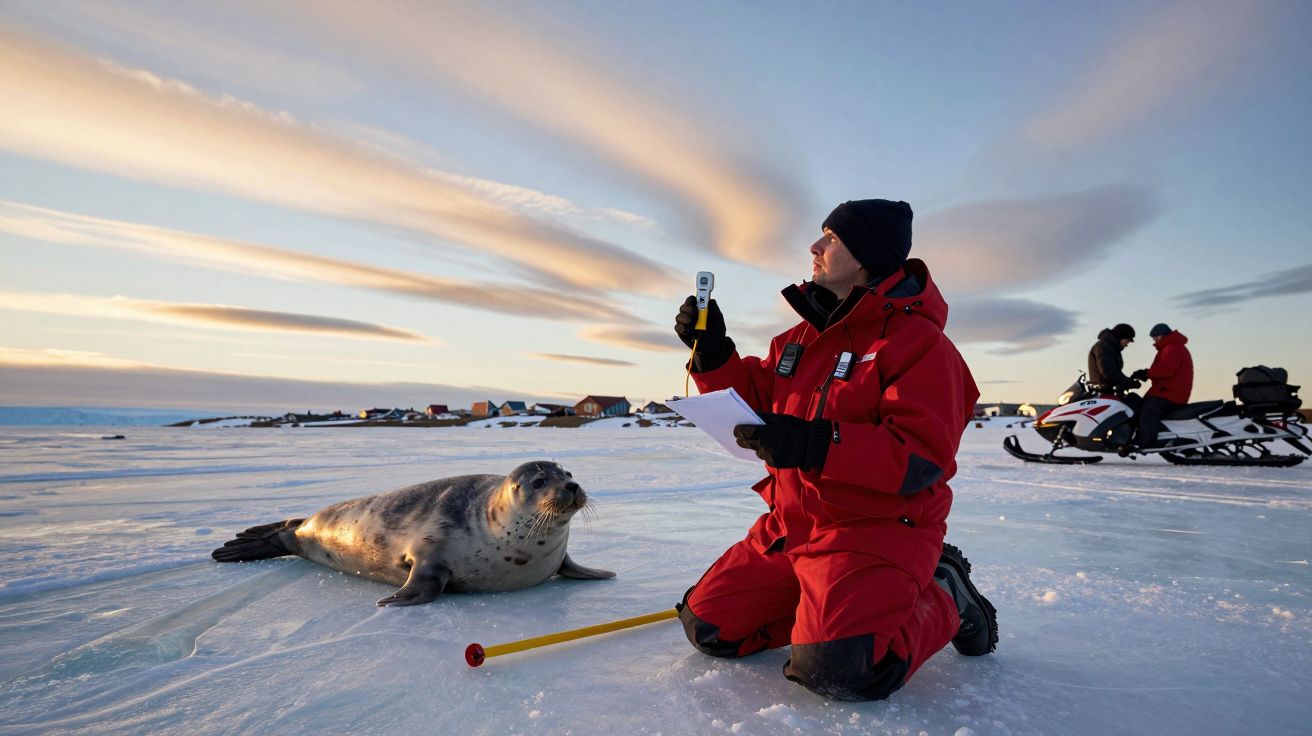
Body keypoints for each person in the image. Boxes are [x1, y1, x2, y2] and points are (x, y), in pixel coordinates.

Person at [671, 199, 996, 702]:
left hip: (873, 532)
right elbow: (753, 402)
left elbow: (920, 456)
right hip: (791, 529)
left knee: (841, 669)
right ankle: (829, 610)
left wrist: (814, 443)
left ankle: (945, 593)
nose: (815, 246)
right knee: (709, 627)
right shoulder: (797, 340)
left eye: (832, 238)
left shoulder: (919, 345)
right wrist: (714, 353)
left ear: (867, 257)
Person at [1130, 323, 1193, 448]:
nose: (1154, 339)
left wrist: (1146, 373)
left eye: (1155, 336)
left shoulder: (1172, 348)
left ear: (1163, 335)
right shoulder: (1172, 347)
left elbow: (1166, 370)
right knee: (1142, 404)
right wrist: (1146, 374)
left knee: (1149, 409)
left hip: (1170, 393)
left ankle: (1147, 441)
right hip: (1169, 391)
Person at [1087, 323, 1141, 411]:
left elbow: (1115, 372)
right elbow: (1108, 372)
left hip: (1109, 391)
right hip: (1104, 393)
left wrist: (1128, 381)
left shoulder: (1110, 347)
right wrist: (1129, 383)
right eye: (1127, 341)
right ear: (1121, 337)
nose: (1127, 345)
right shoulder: (1105, 347)